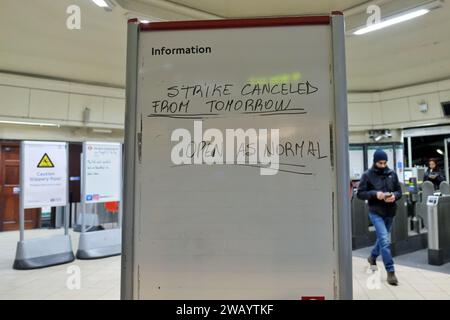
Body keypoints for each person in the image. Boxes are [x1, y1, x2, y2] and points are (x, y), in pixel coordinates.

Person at [357, 149, 402, 286]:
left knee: (382, 240)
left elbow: (399, 191)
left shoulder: (392, 174)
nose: (383, 165)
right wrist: (375, 194)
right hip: (375, 211)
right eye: (380, 163)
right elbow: (360, 193)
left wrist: (394, 196)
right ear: (375, 161)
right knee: (384, 239)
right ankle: (391, 271)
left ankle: (372, 257)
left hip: (390, 211)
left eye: (384, 163)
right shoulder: (367, 175)